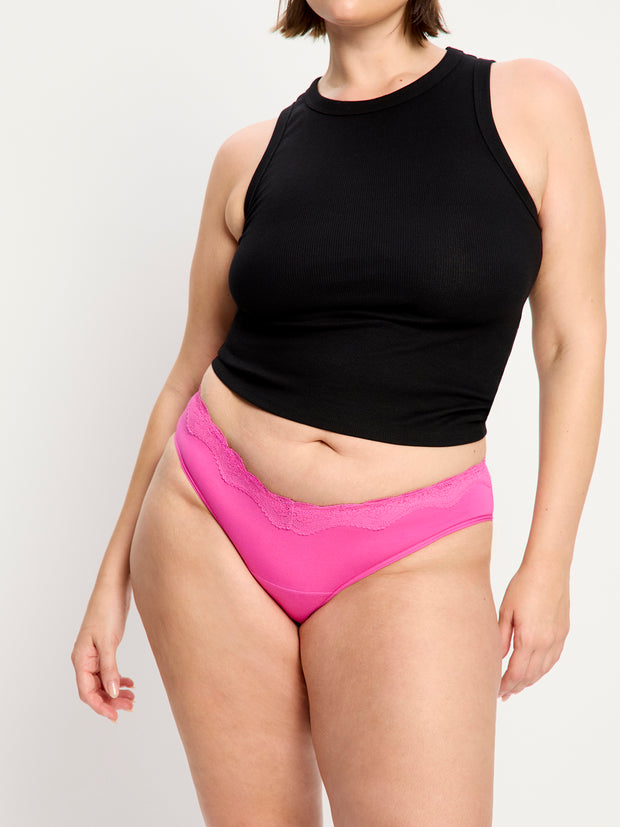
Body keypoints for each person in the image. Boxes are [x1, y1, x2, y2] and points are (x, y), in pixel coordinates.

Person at [71, 1, 606, 824]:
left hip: (412, 550)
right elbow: (187, 373)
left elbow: (572, 342)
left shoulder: (529, 106)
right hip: (209, 526)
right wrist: (111, 582)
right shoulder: (250, 157)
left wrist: (551, 562)